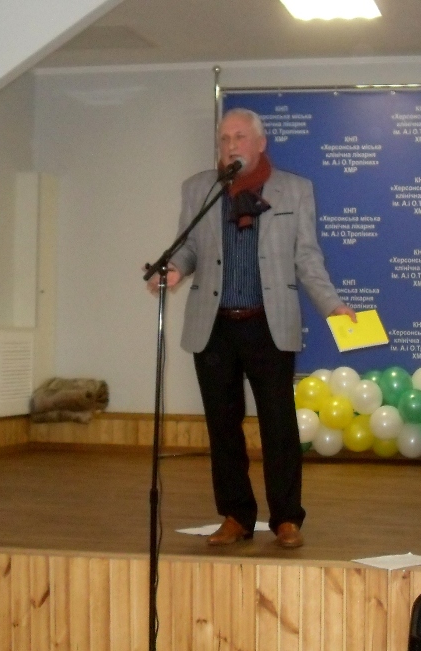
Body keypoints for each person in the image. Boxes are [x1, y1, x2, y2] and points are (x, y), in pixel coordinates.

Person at [148, 108, 355, 549]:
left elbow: (307, 257)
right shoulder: (199, 189)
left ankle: (287, 518)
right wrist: (175, 270)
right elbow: (188, 247)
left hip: (268, 323)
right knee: (222, 428)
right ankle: (236, 515)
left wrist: (331, 304)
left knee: (278, 426)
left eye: (239, 137)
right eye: (224, 139)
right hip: (214, 326)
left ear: (261, 143)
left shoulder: (295, 190)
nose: (230, 146)